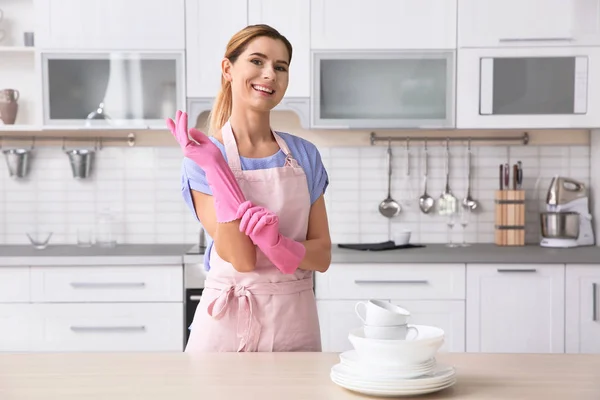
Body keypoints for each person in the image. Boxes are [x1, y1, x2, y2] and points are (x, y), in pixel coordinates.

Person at [166, 24, 332, 352]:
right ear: (228, 69)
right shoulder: (202, 159)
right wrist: (217, 168)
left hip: (294, 325)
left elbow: (323, 254)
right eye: (257, 61)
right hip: (226, 327)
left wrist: (280, 245)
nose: (269, 73)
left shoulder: (304, 155)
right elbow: (241, 258)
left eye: (280, 67)